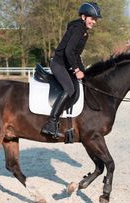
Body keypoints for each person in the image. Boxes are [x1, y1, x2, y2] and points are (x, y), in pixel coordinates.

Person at [41, 2, 102, 139]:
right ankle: (51, 122)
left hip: (66, 65)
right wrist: (76, 69)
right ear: (83, 16)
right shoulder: (78, 28)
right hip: (58, 64)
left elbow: (76, 54)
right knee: (69, 89)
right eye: (92, 18)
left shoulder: (84, 32)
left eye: (95, 19)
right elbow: (68, 52)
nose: (94, 22)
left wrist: (83, 72)